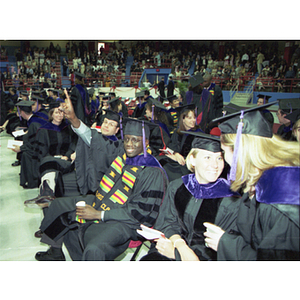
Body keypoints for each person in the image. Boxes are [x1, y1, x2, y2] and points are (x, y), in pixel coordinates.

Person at [34, 94, 169, 260]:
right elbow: (91, 138)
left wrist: (98, 215)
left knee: (92, 245)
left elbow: (138, 214)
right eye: (127, 139)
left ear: (146, 142)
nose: (129, 144)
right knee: (60, 206)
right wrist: (74, 119)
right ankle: (55, 250)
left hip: (127, 221)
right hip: (104, 201)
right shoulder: (124, 154)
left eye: (135, 140)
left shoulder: (151, 171)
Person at [204, 103, 300, 260]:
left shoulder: (283, 198)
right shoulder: (264, 182)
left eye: (223, 151)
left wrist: (225, 243)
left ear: (239, 150)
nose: (224, 158)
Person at [141, 131, 240, 261]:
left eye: (219, 158)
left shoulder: (231, 201)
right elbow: (167, 222)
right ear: (193, 159)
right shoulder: (177, 187)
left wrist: (177, 255)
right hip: (173, 244)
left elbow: (225, 253)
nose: (215, 165)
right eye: (207, 157)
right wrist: (180, 246)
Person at [158, 104, 203, 182]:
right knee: (161, 162)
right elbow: (170, 147)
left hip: (188, 166)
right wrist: (175, 154)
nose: (193, 120)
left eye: (194, 117)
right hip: (177, 162)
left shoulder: (199, 134)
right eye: (189, 118)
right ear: (183, 119)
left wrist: (184, 159)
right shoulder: (178, 132)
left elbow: (199, 156)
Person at [11, 100, 48, 188]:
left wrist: (21, 148)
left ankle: (32, 181)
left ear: (22, 112)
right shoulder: (37, 117)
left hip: (42, 148)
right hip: (44, 143)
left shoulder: (33, 123)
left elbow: (34, 142)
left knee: (26, 154)